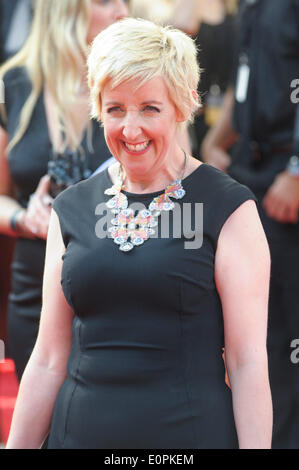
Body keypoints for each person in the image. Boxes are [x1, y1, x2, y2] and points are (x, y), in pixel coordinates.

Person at [7, 18, 272, 449]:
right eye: (115, 109)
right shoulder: (71, 208)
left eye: (150, 108)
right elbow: (48, 359)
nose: (131, 130)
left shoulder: (228, 207)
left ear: (183, 106)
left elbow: (246, 363)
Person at [0, 0, 128, 382]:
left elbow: (178, 180)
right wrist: (26, 217)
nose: (123, 11)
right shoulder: (10, 84)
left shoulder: (136, 84)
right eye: (106, 2)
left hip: (122, 283)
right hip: (36, 284)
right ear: (63, 9)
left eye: (126, 1)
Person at [201, 0, 299, 449]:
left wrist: (297, 171)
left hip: (286, 177)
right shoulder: (250, 7)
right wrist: (214, 140)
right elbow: (246, 87)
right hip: (250, 173)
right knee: (262, 338)